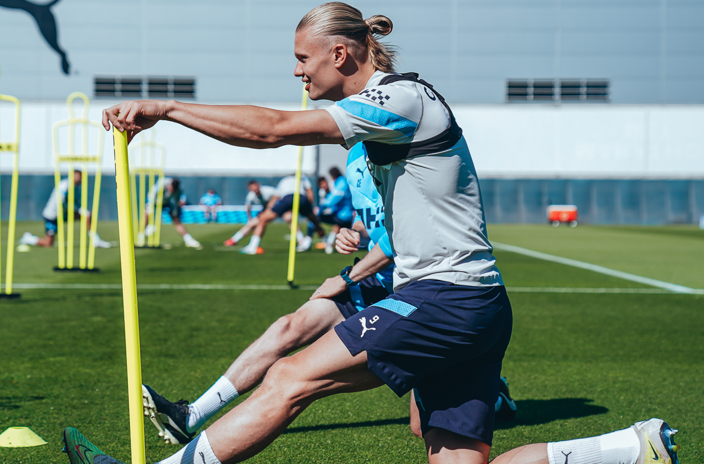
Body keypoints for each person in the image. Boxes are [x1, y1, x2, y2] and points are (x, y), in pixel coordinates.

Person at [67, 2, 690, 464]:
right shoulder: (393, 108)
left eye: (303, 59)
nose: (297, 71)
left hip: (446, 299)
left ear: (340, 54)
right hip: (473, 303)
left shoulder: (400, 98)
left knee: (289, 377)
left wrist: (168, 108)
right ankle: (631, 446)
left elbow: (275, 130)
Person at [141, 143, 516, 446]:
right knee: (289, 327)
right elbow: (367, 218)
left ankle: (488, 392)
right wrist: (350, 233)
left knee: (422, 428)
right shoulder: (354, 157)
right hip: (375, 281)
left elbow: (399, 237)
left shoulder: (402, 149)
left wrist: (347, 276)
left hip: (419, 293)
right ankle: (190, 416)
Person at [18, 170, 108, 249]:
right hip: (52, 216)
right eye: (79, 177)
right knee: (48, 243)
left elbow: (76, 203)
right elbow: (61, 201)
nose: (80, 179)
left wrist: (80, 210)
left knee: (87, 214)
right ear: (73, 176)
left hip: (63, 214)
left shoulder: (76, 188)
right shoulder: (64, 185)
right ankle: (29, 238)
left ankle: (95, 240)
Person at [239, 173, 325, 255]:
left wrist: (266, 212)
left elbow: (275, 197)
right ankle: (326, 242)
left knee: (263, 220)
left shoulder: (284, 180)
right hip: (302, 199)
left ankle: (253, 246)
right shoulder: (303, 179)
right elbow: (310, 192)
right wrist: (309, 207)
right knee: (313, 220)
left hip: (287, 199)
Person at [139, 178, 201, 249]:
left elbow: (176, 201)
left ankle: (188, 239)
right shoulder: (161, 184)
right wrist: (152, 205)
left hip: (167, 202)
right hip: (155, 201)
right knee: (147, 214)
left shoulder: (179, 190)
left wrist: (174, 211)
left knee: (176, 219)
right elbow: (151, 196)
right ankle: (140, 237)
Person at [309, 166, 354, 253]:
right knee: (338, 225)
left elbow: (333, 199)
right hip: (344, 214)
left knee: (315, 218)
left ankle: (313, 240)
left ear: (332, 175)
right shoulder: (341, 181)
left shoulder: (341, 182)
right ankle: (328, 242)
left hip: (344, 215)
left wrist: (320, 208)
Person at [224, 180, 278, 247]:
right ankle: (234, 240)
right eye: (252, 188)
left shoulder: (267, 190)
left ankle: (252, 246)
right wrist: (249, 218)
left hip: (279, 206)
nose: (254, 189)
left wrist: (271, 204)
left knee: (289, 218)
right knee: (253, 223)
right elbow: (248, 208)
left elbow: (279, 194)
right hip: (267, 210)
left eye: (255, 186)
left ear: (259, 185)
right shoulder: (251, 196)